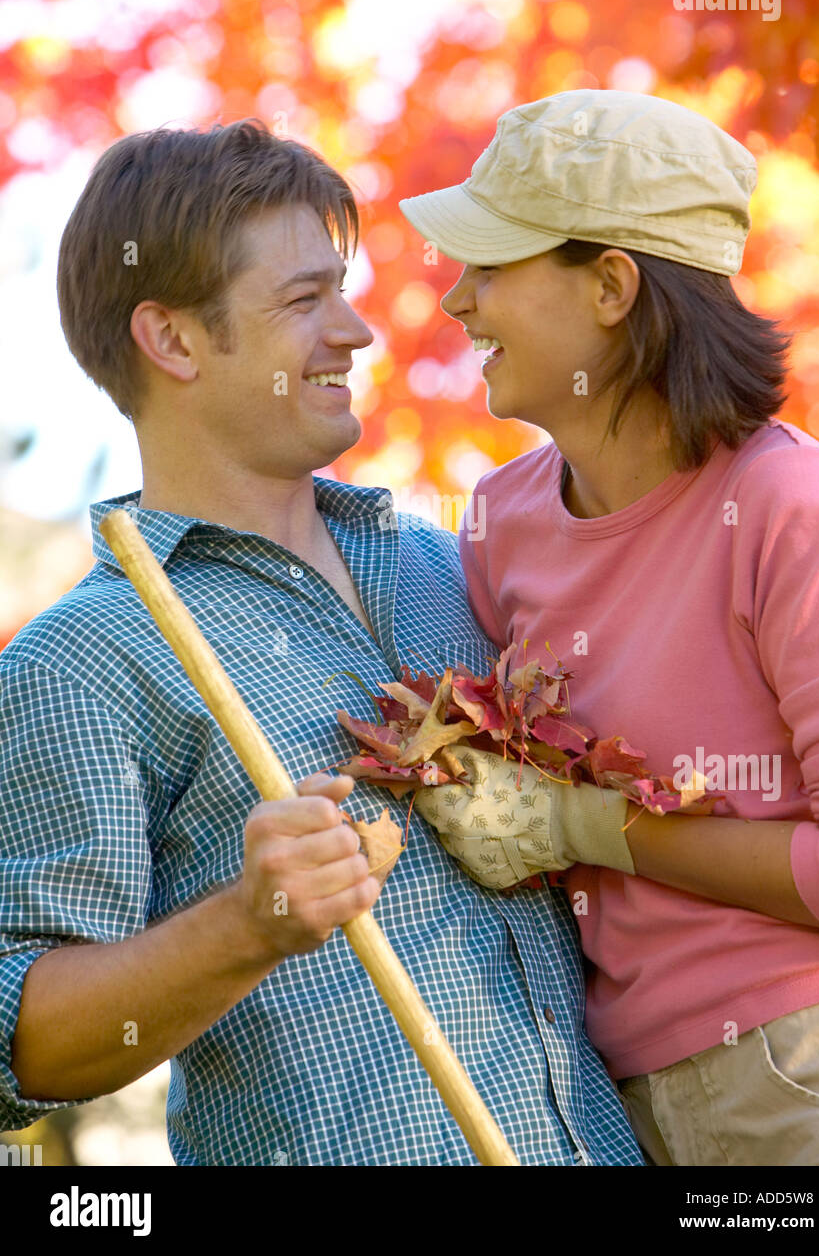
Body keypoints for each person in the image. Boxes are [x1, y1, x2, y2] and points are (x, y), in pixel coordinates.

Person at [0, 118, 645, 1166]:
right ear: (172, 340)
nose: (356, 330)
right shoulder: (83, 660)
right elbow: (19, 1043)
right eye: (304, 301)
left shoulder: (462, 570)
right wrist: (246, 923)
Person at [397, 89, 819, 1167]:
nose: (459, 299)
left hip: (806, 1075)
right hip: (602, 1100)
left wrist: (585, 829)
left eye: (494, 265)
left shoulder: (788, 507)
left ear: (611, 285)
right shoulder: (503, 519)